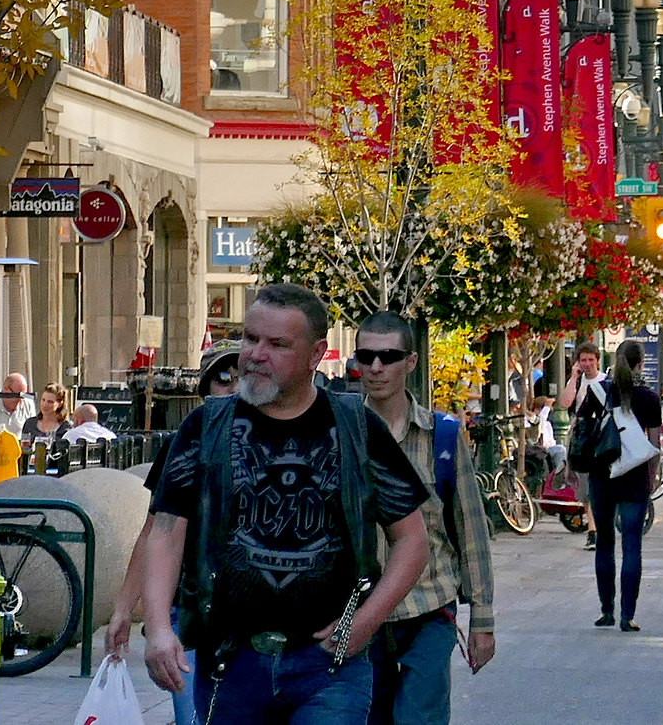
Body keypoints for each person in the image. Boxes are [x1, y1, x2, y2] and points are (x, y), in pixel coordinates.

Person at [137, 283, 432, 721]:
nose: (256, 354)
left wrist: (366, 622)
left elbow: (412, 540)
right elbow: (165, 530)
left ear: (316, 355)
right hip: (229, 663)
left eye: (277, 344)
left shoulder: (356, 428)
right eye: (250, 339)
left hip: (329, 667)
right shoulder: (206, 426)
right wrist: (159, 627)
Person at [354, 312, 497, 725]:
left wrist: (482, 621)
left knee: (421, 717)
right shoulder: (343, 432)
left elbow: (471, 531)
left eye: (389, 356)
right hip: (362, 615)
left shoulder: (443, 437)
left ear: (411, 363)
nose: (376, 367)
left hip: (429, 608)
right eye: (366, 356)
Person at [105, 341, 243, 725]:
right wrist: (122, 609)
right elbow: (153, 532)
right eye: (222, 378)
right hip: (193, 610)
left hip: (254, 618)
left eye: (242, 376)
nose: (233, 386)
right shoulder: (187, 443)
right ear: (205, 390)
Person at [586, 341, 662, 631]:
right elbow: (654, 444)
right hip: (634, 476)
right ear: (641, 363)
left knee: (604, 542)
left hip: (601, 474)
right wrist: (651, 477)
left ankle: (606, 610)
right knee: (632, 546)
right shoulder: (649, 398)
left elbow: (584, 433)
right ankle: (627, 615)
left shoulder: (601, 392)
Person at [556, 341, 608, 551]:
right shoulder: (577, 382)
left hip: (603, 438)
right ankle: (593, 531)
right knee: (587, 487)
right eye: (583, 360)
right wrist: (574, 377)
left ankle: (600, 528)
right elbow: (565, 403)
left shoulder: (606, 381)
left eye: (590, 360)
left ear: (597, 360)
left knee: (602, 485)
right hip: (583, 439)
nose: (587, 364)